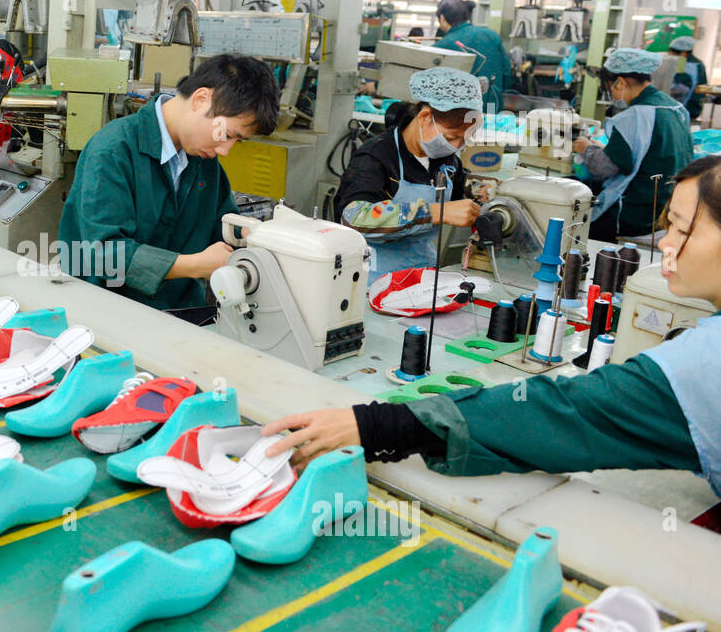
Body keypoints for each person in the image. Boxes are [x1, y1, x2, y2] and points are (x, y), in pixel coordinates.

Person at [260, 155, 721, 501]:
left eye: (682, 229)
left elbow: (567, 412)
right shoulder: (375, 159)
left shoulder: (706, 359)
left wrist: (379, 425)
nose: (667, 244)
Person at [58, 54, 280, 321]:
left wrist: (259, 238)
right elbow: (105, 253)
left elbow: (223, 227)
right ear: (200, 100)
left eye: (237, 141)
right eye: (228, 134)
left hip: (180, 316)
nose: (225, 149)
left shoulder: (202, 160)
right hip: (106, 315)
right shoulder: (113, 151)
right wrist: (195, 265)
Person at [335, 67, 482, 282]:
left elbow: (463, 198)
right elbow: (353, 217)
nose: (457, 147)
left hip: (422, 277)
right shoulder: (376, 155)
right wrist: (434, 212)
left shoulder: (446, 161)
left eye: (465, 139)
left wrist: (485, 200)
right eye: (451, 138)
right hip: (370, 279)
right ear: (424, 117)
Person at [573, 48, 692, 241]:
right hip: (668, 207)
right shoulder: (676, 108)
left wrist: (586, 148)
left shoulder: (635, 116)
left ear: (621, 82)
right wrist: (606, 151)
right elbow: (647, 154)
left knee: (580, 227)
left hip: (635, 214)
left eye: (610, 87)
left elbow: (604, 169)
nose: (612, 92)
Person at [433, 0, 512, 113]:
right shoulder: (491, 35)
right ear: (467, 16)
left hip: (458, 115)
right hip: (492, 108)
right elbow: (507, 71)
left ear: (442, 18)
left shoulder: (441, 47)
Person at [666, 36, 707, 121]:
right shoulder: (699, 64)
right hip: (693, 108)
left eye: (673, 53)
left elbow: (677, 88)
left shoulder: (684, 63)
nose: (670, 55)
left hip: (686, 108)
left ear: (684, 53)